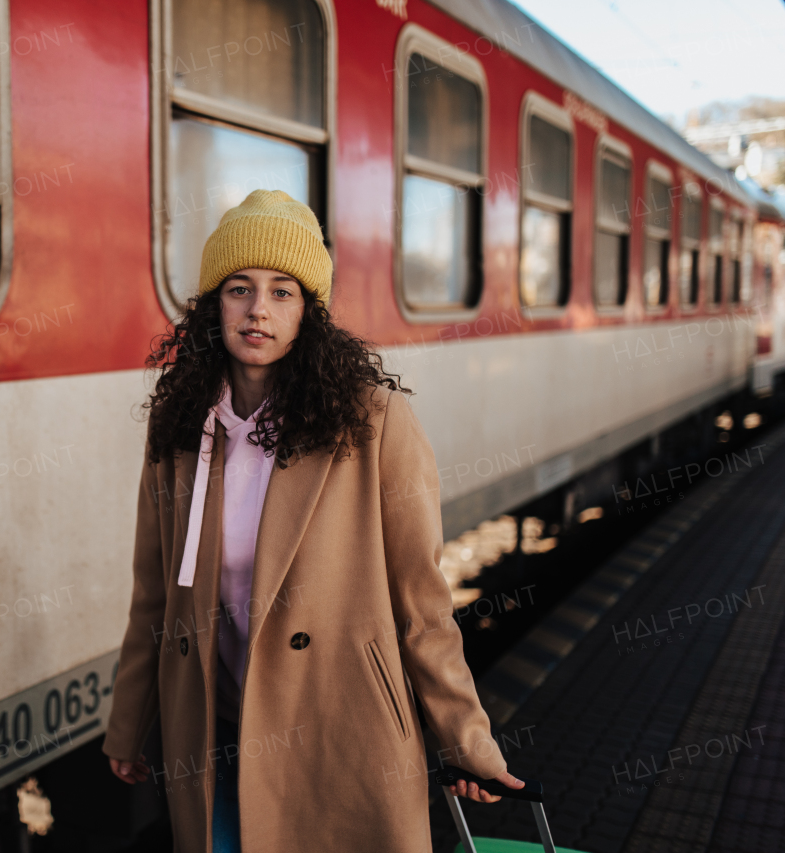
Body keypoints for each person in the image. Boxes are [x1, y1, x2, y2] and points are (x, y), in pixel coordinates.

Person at [102, 190, 523, 853]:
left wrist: (467, 738)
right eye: (238, 288)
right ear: (214, 305)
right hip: (216, 727)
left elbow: (421, 602)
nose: (258, 309)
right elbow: (154, 590)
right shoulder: (182, 425)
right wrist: (129, 723)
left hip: (339, 728)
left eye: (282, 290)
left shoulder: (374, 421)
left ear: (310, 312)